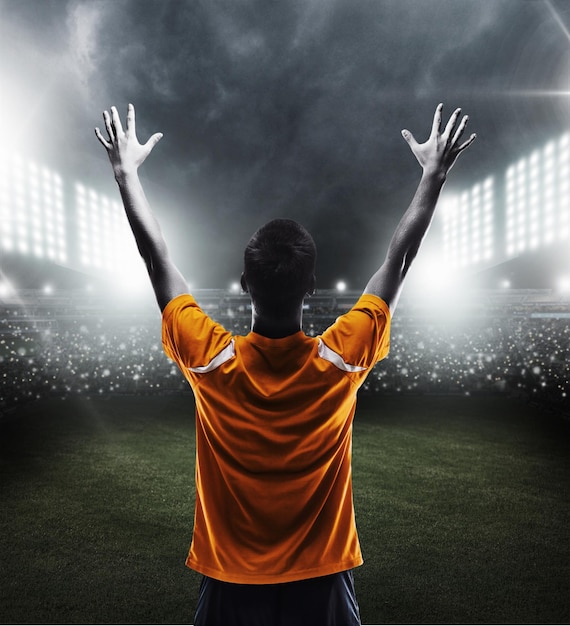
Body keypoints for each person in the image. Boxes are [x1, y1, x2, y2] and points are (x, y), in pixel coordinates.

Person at [95, 102, 475, 625]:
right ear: (312, 288)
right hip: (321, 582)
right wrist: (434, 174)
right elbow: (399, 260)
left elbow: (154, 256)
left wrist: (125, 172)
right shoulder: (342, 358)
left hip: (231, 580)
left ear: (246, 284)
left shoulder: (210, 360)